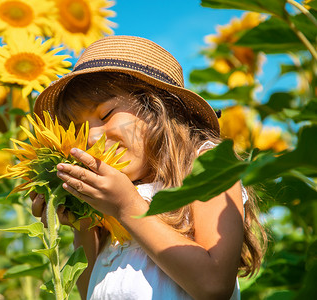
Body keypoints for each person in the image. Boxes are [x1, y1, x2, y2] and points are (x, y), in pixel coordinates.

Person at [31, 35, 266, 300]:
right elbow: (93, 291)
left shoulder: (206, 166)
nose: (91, 139)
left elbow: (214, 286)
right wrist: (82, 221)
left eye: (106, 114)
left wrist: (127, 207)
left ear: (158, 107)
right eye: (79, 130)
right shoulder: (114, 198)